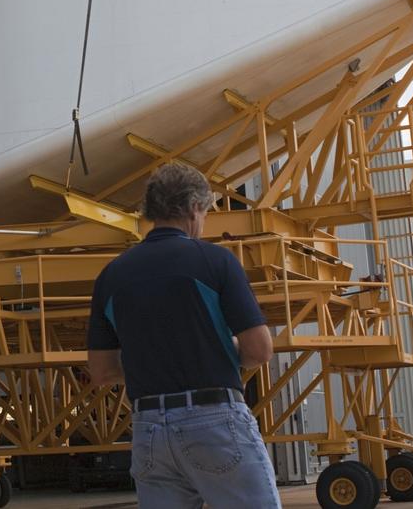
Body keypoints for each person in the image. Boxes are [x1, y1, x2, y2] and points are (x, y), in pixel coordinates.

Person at [86, 162, 279, 508]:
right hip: (214, 421)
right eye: (205, 213)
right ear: (193, 207)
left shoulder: (111, 276)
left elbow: (101, 371)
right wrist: (214, 352)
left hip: (149, 430)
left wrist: (156, 361)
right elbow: (259, 349)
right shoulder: (215, 261)